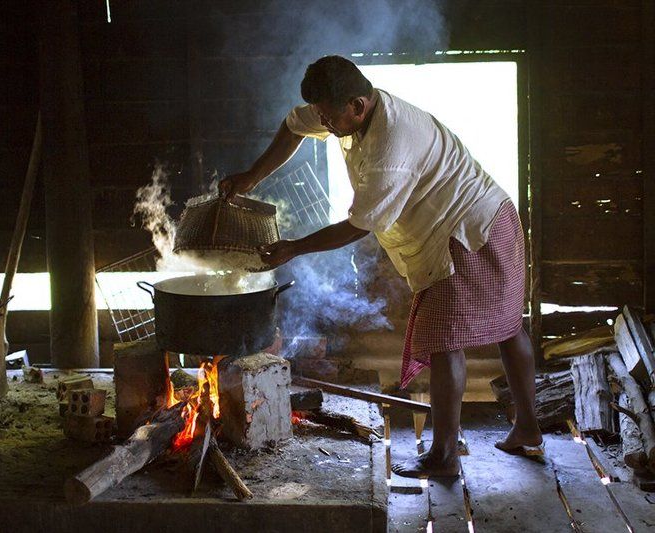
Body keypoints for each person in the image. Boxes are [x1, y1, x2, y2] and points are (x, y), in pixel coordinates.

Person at [219, 55, 542, 478]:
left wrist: (294, 248)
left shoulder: (391, 143)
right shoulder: (344, 109)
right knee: (505, 328)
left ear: (357, 105)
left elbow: (362, 224)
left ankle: (445, 456)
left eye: (329, 117)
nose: (324, 124)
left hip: (470, 229)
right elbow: (294, 125)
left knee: (448, 339)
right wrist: (251, 177)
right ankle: (527, 428)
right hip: (489, 217)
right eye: (321, 115)